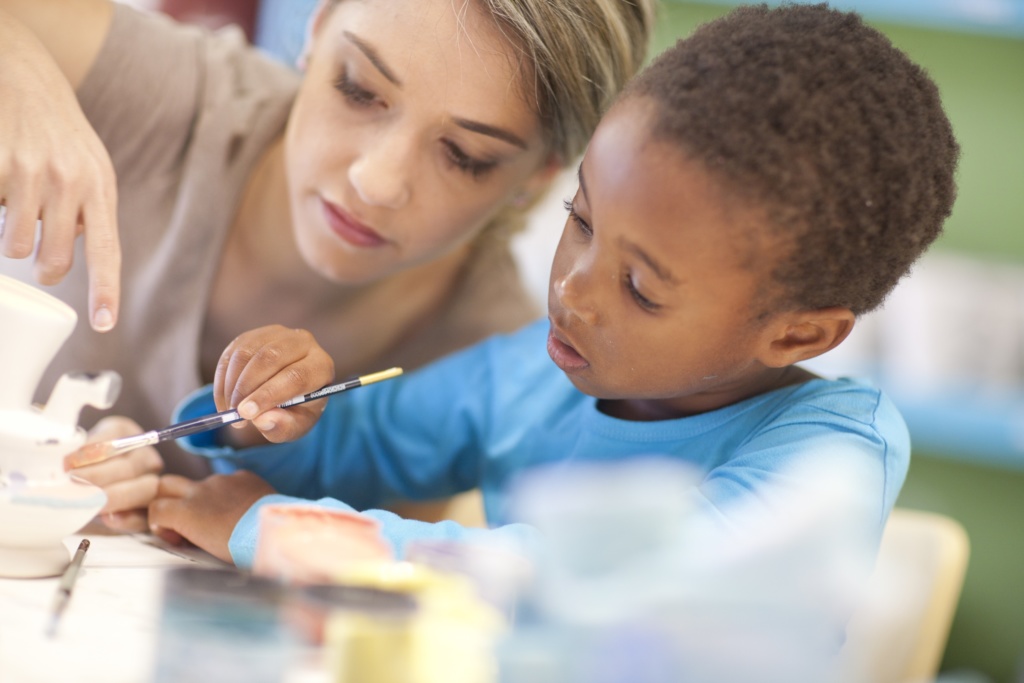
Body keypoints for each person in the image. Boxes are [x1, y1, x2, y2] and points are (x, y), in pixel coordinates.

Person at [144, 0, 959, 578]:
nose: (572, 287)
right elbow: (355, 451)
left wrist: (277, 531)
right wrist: (265, 414)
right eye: (580, 218)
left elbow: (576, 582)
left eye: (641, 286)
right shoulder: (527, 378)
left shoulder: (830, 456)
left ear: (797, 335)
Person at [0, 0, 654, 529]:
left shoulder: (490, 365)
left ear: (535, 179)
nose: (377, 181)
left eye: (463, 155)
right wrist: (18, 64)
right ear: (315, 27)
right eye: (360, 89)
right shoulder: (162, 95)